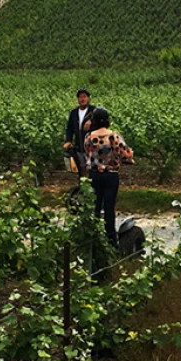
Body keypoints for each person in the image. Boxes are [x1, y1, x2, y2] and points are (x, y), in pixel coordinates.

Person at [82, 107, 134, 246]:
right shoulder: (114, 136)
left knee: (96, 206)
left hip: (94, 175)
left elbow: (87, 153)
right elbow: (126, 154)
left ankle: (94, 239)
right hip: (110, 176)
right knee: (109, 207)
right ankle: (110, 239)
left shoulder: (89, 137)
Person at [64, 89, 94, 177]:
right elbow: (69, 128)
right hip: (79, 145)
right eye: (80, 97)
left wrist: (92, 122)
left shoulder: (93, 111)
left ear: (88, 98)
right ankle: (84, 186)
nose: (82, 99)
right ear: (78, 99)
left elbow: (101, 123)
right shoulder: (74, 113)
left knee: (92, 166)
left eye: (84, 97)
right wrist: (68, 140)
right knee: (81, 166)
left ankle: (93, 187)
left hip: (91, 145)